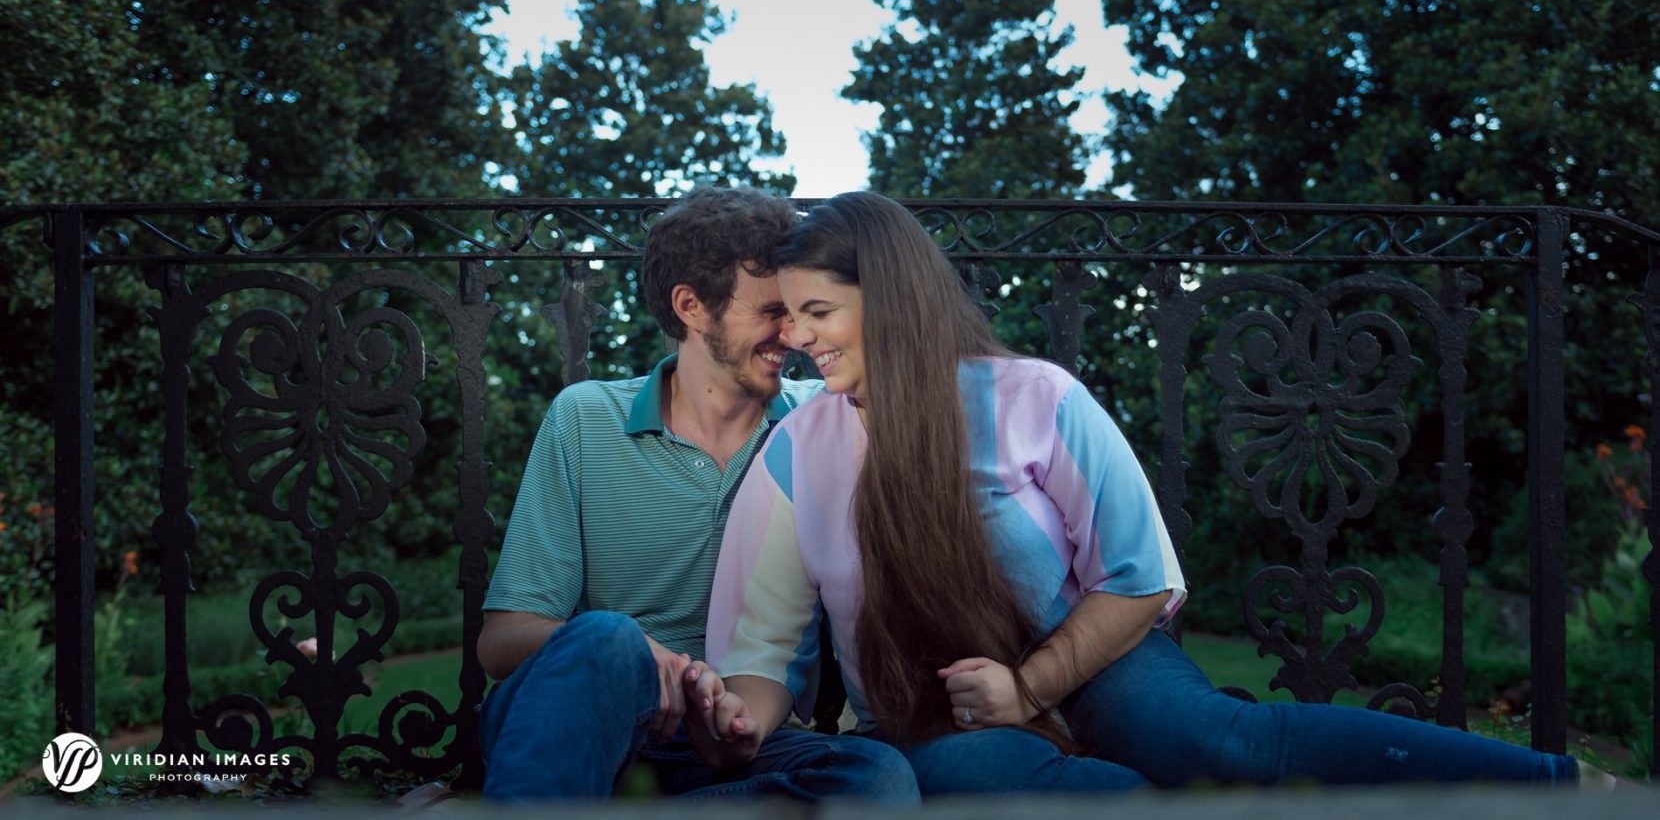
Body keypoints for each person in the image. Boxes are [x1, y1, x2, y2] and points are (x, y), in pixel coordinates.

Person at [695, 190, 1606, 794]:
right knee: (1067, 789)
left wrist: (1032, 682)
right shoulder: (796, 451)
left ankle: (1555, 786)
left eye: (820, 312)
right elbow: (762, 649)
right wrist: (741, 717)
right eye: (792, 315)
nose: (802, 338)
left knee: (1216, 744)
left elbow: (1136, 577)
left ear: (890, 297)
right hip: (931, 712)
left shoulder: (1034, 399)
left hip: (1088, 658)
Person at [475, 186, 918, 802]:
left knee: (876, 777)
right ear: (691, 306)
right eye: (771, 311)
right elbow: (503, 642)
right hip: (586, 722)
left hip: (725, 738)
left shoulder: (820, 426)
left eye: (797, 311)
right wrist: (639, 652)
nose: (794, 335)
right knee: (607, 636)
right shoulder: (585, 419)